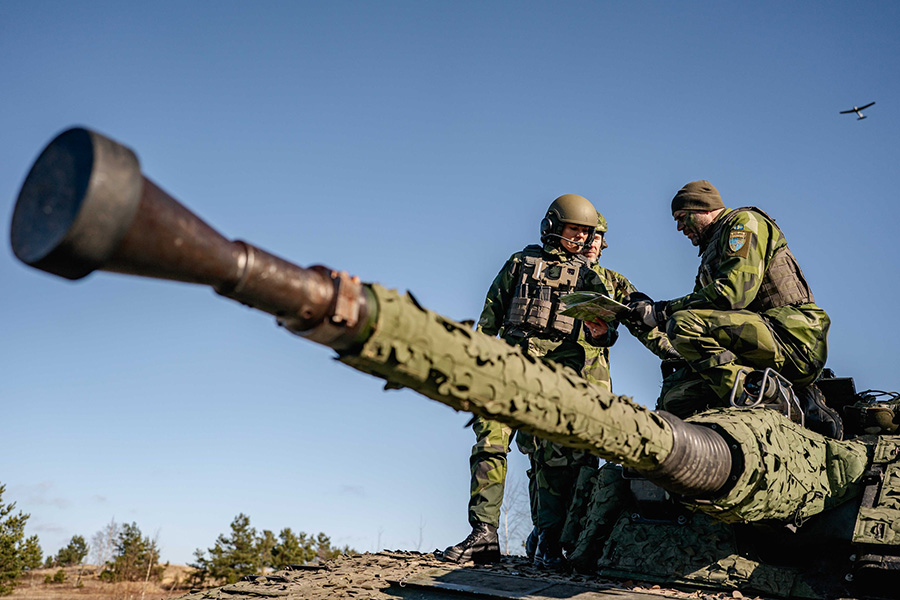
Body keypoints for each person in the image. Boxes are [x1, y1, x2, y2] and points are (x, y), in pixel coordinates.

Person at [441, 194, 608, 566]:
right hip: (508, 368)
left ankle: (548, 540)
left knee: (552, 458)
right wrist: (477, 365)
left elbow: (603, 332)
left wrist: (602, 332)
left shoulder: (589, 277)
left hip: (555, 378)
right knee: (489, 442)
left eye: (586, 232)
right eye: (574, 229)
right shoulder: (519, 263)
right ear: (553, 226)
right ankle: (484, 534)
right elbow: (489, 318)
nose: (581, 238)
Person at [522, 212, 678, 568]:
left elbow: (645, 327)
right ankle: (545, 534)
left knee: (585, 465)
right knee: (546, 460)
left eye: (597, 237)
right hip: (549, 382)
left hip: (593, 388)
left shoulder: (612, 282)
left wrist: (676, 353)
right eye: (587, 235)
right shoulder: (549, 273)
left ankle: (564, 539)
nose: (592, 242)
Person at [626, 180, 834, 432]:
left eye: (682, 217)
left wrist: (661, 311)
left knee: (683, 323)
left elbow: (734, 294)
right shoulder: (711, 254)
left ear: (702, 208)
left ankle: (762, 398)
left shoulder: (744, 223)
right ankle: (768, 392)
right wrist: (638, 318)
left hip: (793, 338)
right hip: (759, 343)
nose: (679, 227)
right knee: (675, 395)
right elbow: (696, 317)